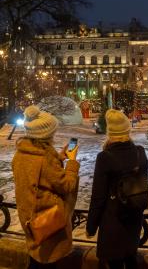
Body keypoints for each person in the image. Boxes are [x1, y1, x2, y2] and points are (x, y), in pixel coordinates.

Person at [12, 105, 80, 268]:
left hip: (31, 220)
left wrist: (58, 158)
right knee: (46, 263)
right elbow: (67, 185)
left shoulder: (21, 154)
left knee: (36, 261)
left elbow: (39, 176)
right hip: (48, 223)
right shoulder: (45, 160)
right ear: (46, 135)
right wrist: (71, 162)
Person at [86, 109, 148, 269]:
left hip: (113, 221)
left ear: (110, 132)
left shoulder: (105, 157)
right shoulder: (139, 152)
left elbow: (98, 197)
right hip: (134, 219)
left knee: (114, 263)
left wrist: (91, 226)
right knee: (131, 258)